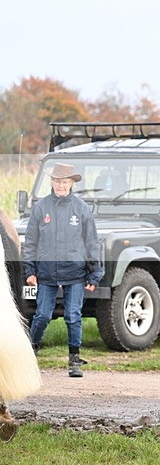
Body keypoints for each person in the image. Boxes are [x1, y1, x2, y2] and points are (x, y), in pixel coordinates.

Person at [23, 162, 103, 378]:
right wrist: (30, 271)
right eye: (57, 181)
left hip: (75, 273)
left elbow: (92, 243)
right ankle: (30, 355)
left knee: (73, 315)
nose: (61, 185)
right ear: (52, 182)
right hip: (46, 274)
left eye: (65, 181)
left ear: (71, 183)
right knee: (42, 315)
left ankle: (74, 361)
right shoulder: (41, 208)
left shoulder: (81, 208)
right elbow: (30, 242)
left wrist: (94, 275)